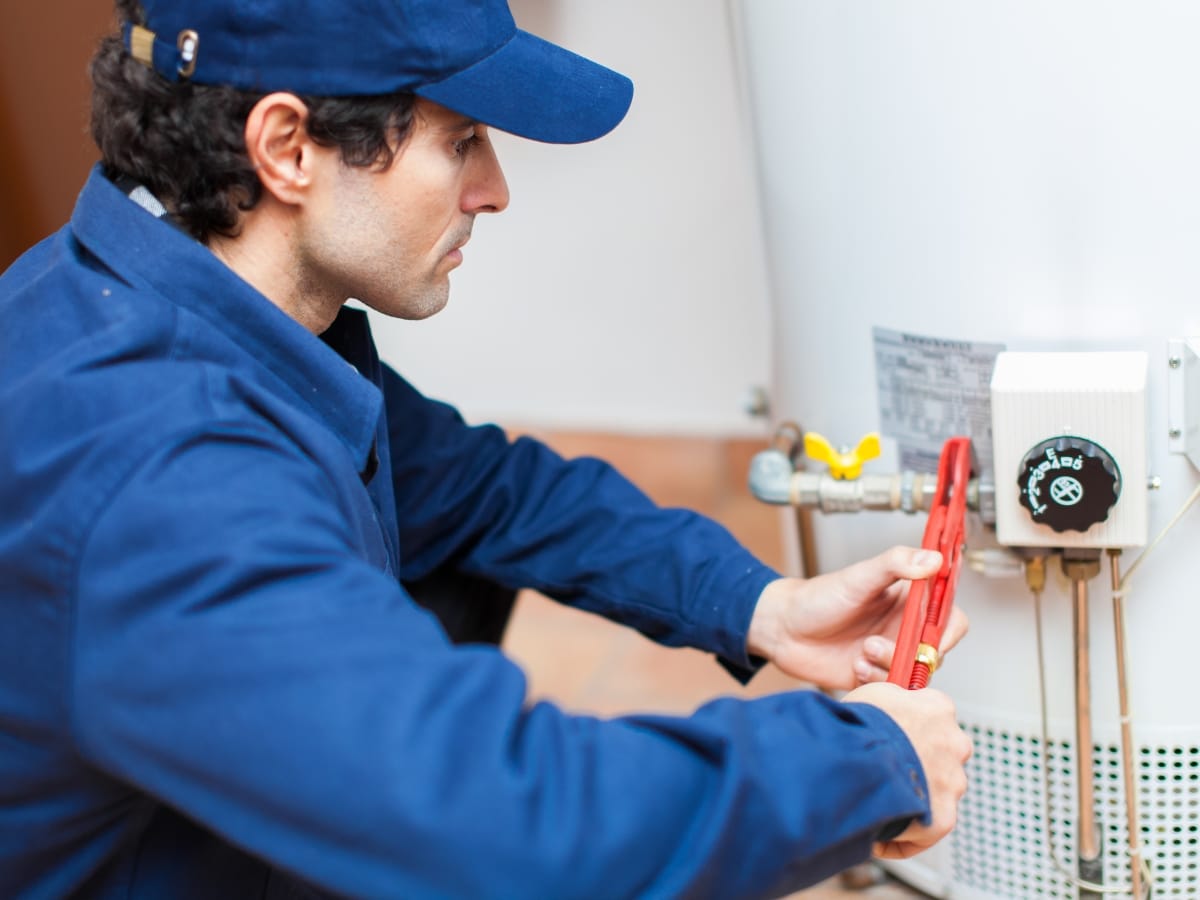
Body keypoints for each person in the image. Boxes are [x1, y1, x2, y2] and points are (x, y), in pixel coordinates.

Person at [0, 1, 972, 897]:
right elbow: (512, 824)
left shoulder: (178, 302)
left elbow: (487, 491)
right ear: (288, 147)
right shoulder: (160, 474)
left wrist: (764, 606)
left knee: (450, 557)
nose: (494, 190)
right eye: (460, 141)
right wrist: (865, 761)